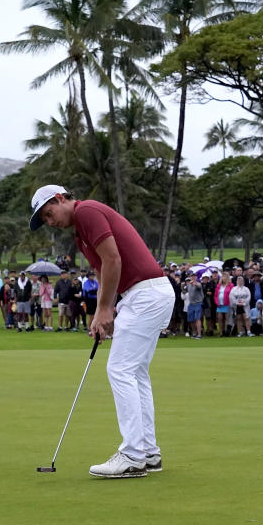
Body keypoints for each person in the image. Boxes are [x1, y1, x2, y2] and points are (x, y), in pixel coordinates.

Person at [30, 184, 175, 479]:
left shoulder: (87, 211)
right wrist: (101, 313)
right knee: (135, 373)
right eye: (45, 219)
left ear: (60, 199)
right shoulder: (80, 231)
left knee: (120, 369)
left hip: (145, 294)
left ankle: (133, 455)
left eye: (49, 213)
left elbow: (113, 260)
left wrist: (107, 309)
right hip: (145, 295)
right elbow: (102, 269)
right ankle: (148, 452)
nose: (50, 221)